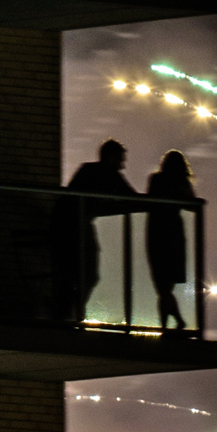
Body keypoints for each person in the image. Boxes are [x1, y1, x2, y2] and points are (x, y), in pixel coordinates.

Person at [61, 138, 133, 328]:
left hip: (66, 226)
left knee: (74, 274)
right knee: (89, 273)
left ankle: (71, 312)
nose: (122, 166)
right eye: (120, 160)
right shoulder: (110, 174)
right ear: (111, 158)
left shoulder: (87, 170)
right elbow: (132, 197)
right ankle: (75, 312)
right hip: (77, 227)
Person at [144, 150, 195, 332]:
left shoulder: (156, 179)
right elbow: (192, 203)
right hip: (173, 234)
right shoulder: (182, 183)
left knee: (162, 287)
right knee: (166, 287)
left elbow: (149, 201)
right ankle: (172, 324)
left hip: (156, 232)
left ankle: (168, 325)